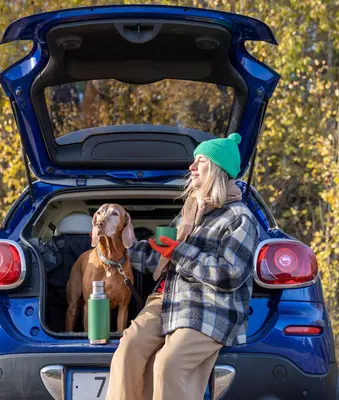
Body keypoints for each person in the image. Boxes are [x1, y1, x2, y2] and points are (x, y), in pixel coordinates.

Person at [105, 133, 259, 400]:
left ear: (216, 170)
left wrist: (180, 252)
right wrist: (122, 248)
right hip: (167, 300)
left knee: (168, 364)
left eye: (199, 161)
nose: (191, 168)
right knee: (127, 350)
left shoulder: (239, 218)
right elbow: (166, 258)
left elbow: (229, 275)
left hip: (209, 305)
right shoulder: (189, 213)